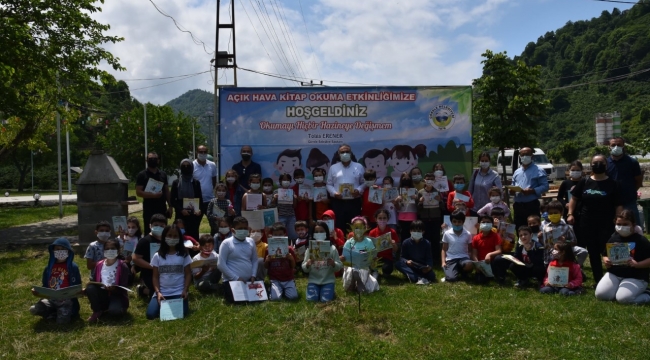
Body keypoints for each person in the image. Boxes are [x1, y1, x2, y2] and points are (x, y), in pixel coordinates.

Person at [568, 154, 623, 283]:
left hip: (606, 223)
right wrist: (570, 213)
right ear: (591, 165)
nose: (598, 165)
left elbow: (618, 204)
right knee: (593, 252)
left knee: (609, 250)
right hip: (587, 223)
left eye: (601, 162)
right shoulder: (585, 181)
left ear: (606, 165)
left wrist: (618, 219)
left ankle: (614, 278)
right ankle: (598, 279)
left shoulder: (613, 184)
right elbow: (574, 199)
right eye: (595, 163)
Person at [595, 210, 650, 304]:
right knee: (601, 295)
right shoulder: (613, 238)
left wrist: (638, 264)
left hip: (636, 276)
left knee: (623, 299)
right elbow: (605, 254)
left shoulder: (641, 240)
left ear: (633, 224)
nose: (621, 227)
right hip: (615, 274)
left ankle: (647, 295)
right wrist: (606, 261)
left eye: (625, 224)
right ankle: (619, 289)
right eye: (619, 224)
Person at [29, 238, 82, 324]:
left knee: (62, 322)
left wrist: (79, 291)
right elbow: (45, 285)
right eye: (57, 249)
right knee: (34, 309)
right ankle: (53, 312)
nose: (60, 251)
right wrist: (38, 292)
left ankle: (60, 313)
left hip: (66, 300)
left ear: (68, 251)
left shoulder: (73, 267)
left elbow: (77, 285)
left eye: (63, 249)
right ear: (53, 251)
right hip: (51, 298)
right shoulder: (48, 268)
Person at [146, 225, 192, 320]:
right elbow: (155, 277)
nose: (172, 238)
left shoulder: (184, 255)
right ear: (164, 237)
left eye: (175, 236)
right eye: (169, 235)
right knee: (150, 314)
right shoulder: (157, 256)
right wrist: (158, 292)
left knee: (183, 313)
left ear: (179, 238)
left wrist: (185, 290)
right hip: (162, 292)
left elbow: (188, 274)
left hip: (179, 292)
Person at [84, 239, 130, 322]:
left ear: (118, 250)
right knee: (90, 288)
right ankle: (97, 311)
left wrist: (115, 289)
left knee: (115, 312)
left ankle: (118, 307)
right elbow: (94, 281)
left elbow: (124, 286)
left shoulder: (122, 266)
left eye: (112, 248)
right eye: (107, 249)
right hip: (102, 293)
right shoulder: (99, 264)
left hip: (117, 295)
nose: (110, 251)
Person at [217, 216, 258, 303]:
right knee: (238, 301)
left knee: (256, 299)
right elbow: (220, 264)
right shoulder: (226, 243)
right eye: (240, 228)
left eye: (245, 228)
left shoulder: (251, 241)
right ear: (233, 230)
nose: (243, 230)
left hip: (250, 281)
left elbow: (254, 260)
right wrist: (236, 278)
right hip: (232, 281)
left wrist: (253, 275)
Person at [606, 137, 643, 229]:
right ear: (609, 147)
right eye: (613, 145)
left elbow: (638, 181)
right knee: (611, 228)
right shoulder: (605, 163)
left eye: (619, 145)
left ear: (623, 146)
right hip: (610, 202)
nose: (616, 147)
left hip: (629, 201)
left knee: (634, 228)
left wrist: (630, 191)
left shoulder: (632, 162)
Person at [326, 144, 365, 231]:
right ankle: (340, 244)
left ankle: (353, 244)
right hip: (338, 203)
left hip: (354, 203)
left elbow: (364, 183)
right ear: (339, 154)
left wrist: (358, 190)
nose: (345, 154)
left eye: (347, 152)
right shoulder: (333, 168)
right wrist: (334, 193)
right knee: (339, 227)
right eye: (342, 152)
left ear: (351, 153)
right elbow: (329, 184)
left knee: (354, 227)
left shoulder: (359, 167)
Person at [509, 147, 549, 229]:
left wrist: (533, 190)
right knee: (519, 228)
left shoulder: (539, 170)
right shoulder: (517, 171)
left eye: (527, 154)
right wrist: (511, 191)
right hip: (518, 206)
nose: (524, 156)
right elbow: (512, 186)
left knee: (533, 229)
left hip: (531, 205)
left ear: (532, 156)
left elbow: (545, 186)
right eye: (522, 155)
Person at [303, 221, 343, 302]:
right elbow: (304, 267)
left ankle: (329, 291)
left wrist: (333, 264)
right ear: (313, 234)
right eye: (316, 232)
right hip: (313, 281)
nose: (319, 234)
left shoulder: (332, 248)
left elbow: (339, 266)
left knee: (325, 300)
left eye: (322, 231)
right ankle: (315, 291)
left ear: (326, 233)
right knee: (311, 300)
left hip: (328, 281)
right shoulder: (309, 249)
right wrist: (307, 264)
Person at [136, 151, 173, 234]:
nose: (153, 160)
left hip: (162, 208)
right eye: (150, 159)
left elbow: (167, 191)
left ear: (158, 160)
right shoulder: (142, 175)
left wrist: (170, 206)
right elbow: (138, 192)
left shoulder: (163, 174)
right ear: (147, 160)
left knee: (163, 230)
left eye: (155, 159)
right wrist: (153, 195)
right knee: (149, 230)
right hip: (149, 208)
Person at [133, 213, 168, 298]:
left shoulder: (167, 240)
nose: (159, 227)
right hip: (149, 273)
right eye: (156, 225)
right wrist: (152, 267)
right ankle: (143, 290)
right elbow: (135, 258)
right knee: (158, 292)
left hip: (166, 271)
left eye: (162, 226)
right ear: (150, 226)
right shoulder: (144, 241)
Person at [341, 216, 379, 293]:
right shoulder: (349, 242)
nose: (358, 230)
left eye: (361, 227)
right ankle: (352, 283)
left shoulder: (368, 242)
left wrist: (373, 259)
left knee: (363, 271)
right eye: (356, 227)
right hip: (350, 266)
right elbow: (344, 257)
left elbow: (372, 256)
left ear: (365, 228)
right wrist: (342, 259)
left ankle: (359, 283)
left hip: (363, 266)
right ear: (353, 229)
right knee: (351, 270)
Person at [171, 159, 204, 242]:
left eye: (188, 166)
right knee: (180, 234)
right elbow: (173, 199)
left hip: (193, 215)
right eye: (183, 166)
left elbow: (200, 198)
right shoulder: (176, 182)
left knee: (193, 235)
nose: (186, 168)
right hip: (181, 214)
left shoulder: (196, 183)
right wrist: (181, 210)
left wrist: (199, 209)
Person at [265, 222, 298, 301]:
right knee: (275, 298)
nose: (278, 237)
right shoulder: (268, 250)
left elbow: (293, 266)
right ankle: (274, 289)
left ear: (285, 235)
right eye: (275, 235)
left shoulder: (289, 249)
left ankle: (290, 286)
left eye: (280, 234)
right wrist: (267, 260)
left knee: (293, 297)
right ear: (272, 235)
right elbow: (266, 267)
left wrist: (291, 259)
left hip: (288, 278)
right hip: (275, 279)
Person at [417, 172, 443, 265]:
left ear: (434, 181)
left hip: (436, 219)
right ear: (424, 179)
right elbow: (417, 209)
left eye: (432, 179)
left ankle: (436, 259)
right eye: (428, 179)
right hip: (424, 219)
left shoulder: (437, 191)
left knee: (435, 239)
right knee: (425, 239)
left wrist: (440, 201)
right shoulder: (420, 192)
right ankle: (425, 258)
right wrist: (420, 203)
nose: (429, 181)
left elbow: (443, 208)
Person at [441, 210, 474, 282]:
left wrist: (471, 260)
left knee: (469, 265)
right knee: (451, 279)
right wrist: (443, 262)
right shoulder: (447, 233)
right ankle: (454, 271)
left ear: (463, 222)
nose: (457, 224)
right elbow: (444, 249)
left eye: (459, 222)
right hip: (451, 259)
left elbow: (470, 249)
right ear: (451, 222)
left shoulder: (468, 234)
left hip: (464, 258)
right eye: (454, 221)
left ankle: (463, 272)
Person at [471, 215, 504, 283]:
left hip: (492, 262)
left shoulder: (495, 236)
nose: (485, 224)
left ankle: (500, 276)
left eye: (488, 222)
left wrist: (489, 254)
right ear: (479, 224)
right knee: (479, 281)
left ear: (492, 224)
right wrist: (477, 265)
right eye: (483, 222)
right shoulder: (476, 238)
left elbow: (499, 251)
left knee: (499, 258)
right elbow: (474, 254)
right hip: (482, 264)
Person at [368, 209, 399, 277]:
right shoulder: (372, 232)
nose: (382, 220)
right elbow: (369, 248)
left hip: (387, 257)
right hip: (376, 257)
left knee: (387, 270)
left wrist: (393, 244)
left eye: (384, 218)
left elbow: (396, 250)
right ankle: (374, 270)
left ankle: (384, 271)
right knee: (371, 268)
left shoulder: (392, 232)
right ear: (376, 219)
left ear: (387, 219)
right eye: (380, 218)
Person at [193, 145, 217, 222]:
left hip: (210, 200)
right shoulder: (192, 165)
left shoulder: (212, 165)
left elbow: (214, 180)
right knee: (195, 224)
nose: (203, 154)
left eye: (205, 152)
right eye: (201, 152)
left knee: (214, 223)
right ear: (197, 152)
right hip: (197, 201)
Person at [273, 173, 298, 240]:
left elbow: (294, 206)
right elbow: (273, 205)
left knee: (293, 235)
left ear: (290, 182)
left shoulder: (292, 192)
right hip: (280, 216)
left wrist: (295, 199)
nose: (286, 181)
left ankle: (292, 248)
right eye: (284, 179)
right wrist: (275, 199)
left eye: (287, 180)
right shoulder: (276, 192)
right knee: (280, 235)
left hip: (291, 216)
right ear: (280, 181)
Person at [396, 172, 419, 242]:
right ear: (401, 179)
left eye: (408, 178)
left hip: (412, 216)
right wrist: (397, 201)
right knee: (403, 236)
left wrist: (416, 199)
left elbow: (419, 205)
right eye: (404, 178)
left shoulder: (415, 190)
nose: (406, 179)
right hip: (402, 217)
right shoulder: (398, 191)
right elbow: (398, 207)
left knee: (413, 236)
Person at [119, 216, 142, 282]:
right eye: (128, 227)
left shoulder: (139, 239)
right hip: (123, 261)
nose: (131, 229)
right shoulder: (121, 237)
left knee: (130, 279)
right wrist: (121, 239)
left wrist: (133, 264)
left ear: (137, 228)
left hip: (134, 262)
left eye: (133, 227)